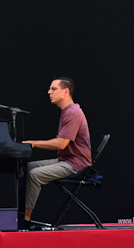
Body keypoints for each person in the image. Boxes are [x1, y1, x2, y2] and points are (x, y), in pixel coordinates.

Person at [21, 77, 92, 226]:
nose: (49, 92)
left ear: (66, 91)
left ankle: (25, 220)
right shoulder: (67, 111)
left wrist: (34, 143)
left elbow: (61, 144)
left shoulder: (73, 112)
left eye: (53, 89)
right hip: (67, 160)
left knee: (34, 175)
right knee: (26, 168)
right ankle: (20, 212)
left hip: (76, 164)